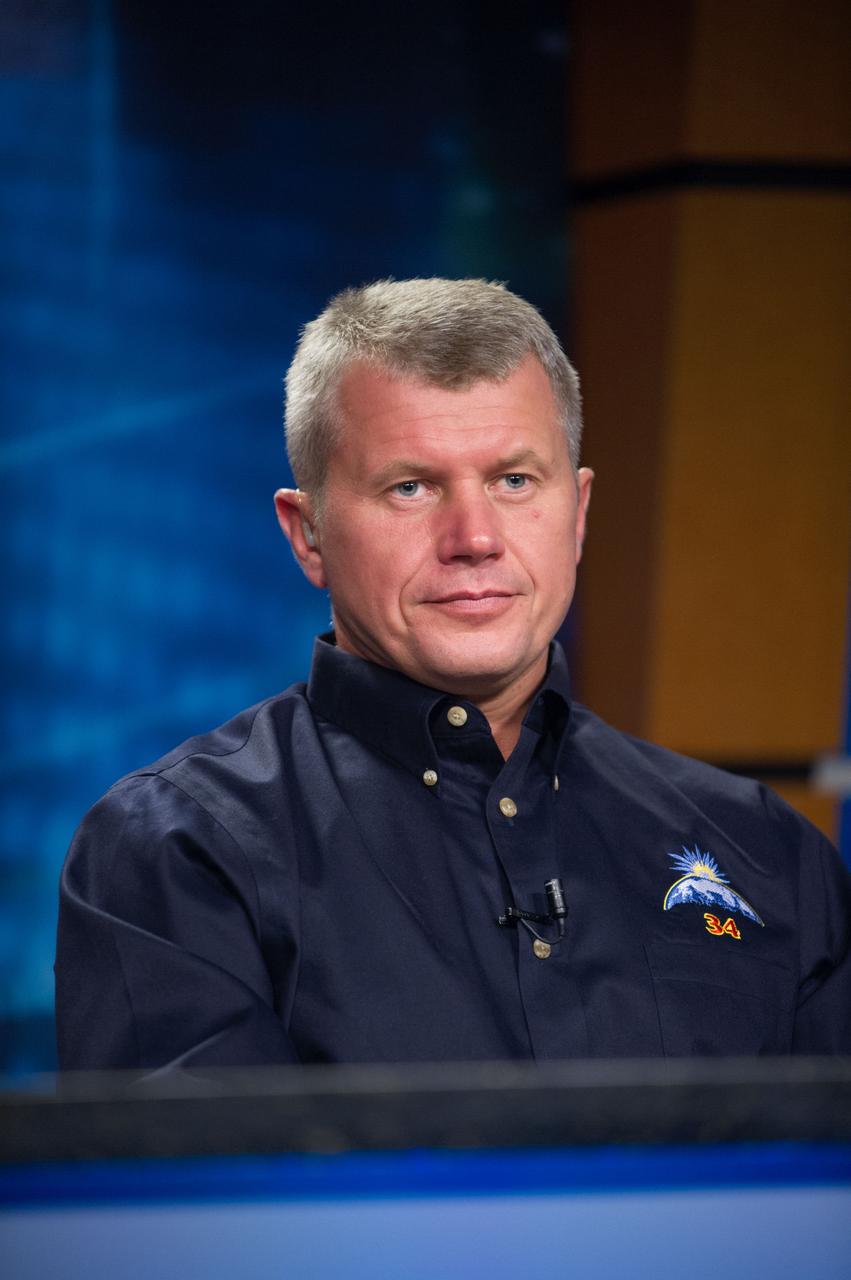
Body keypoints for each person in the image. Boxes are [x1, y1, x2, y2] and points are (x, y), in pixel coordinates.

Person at [56, 278, 851, 1069]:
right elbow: (208, 1158)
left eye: (514, 481)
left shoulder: (766, 852)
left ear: (577, 515)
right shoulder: (182, 851)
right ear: (308, 534)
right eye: (410, 488)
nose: (474, 538)